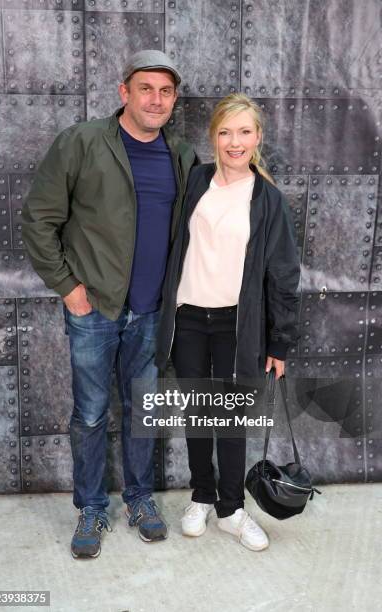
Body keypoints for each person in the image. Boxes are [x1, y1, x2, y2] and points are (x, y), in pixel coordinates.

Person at [22, 50, 198, 558]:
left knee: (143, 409)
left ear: (174, 99)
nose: (156, 99)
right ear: (124, 92)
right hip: (93, 309)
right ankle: (92, 507)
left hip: (152, 312)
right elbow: (39, 220)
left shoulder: (180, 154)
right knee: (93, 413)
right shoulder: (80, 142)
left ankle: (141, 499)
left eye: (165, 91)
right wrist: (70, 290)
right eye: (146, 88)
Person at [155, 93, 300, 551]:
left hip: (239, 325)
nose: (233, 142)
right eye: (224, 132)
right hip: (189, 319)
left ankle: (232, 509)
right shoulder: (196, 180)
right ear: (213, 136)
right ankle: (201, 494)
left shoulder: (268, 199)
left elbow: (283, 275)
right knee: (198, 411)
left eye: (243, 132)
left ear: (257, 137)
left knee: (233, 417)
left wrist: (279, 343)